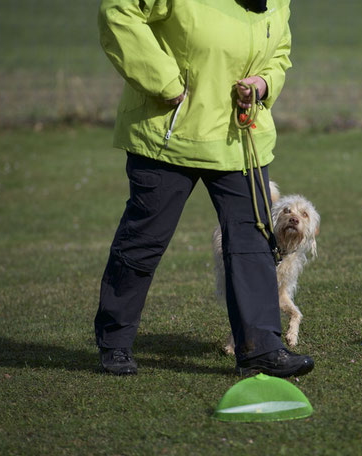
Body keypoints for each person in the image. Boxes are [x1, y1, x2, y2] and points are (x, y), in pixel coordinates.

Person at [94, 0, 313, 377]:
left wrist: (262, 84)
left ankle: (261, 348)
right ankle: (114, 342)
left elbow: (279, 53)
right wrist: (164, 82)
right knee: (143, 241)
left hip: (239, 139)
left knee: (253, 245)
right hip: (169, 133)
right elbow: (118, 13)